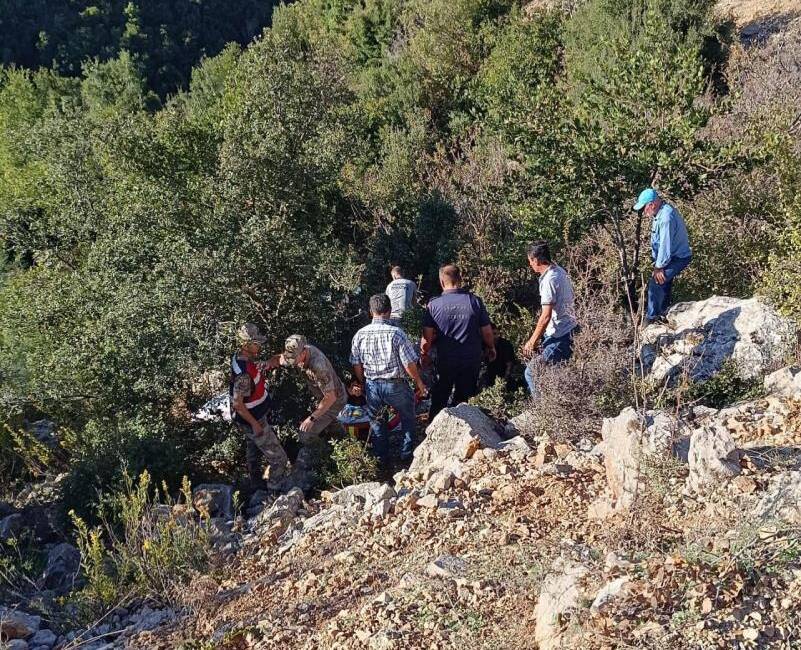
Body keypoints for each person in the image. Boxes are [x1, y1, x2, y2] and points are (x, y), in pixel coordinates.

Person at [351, 294, 428, 465]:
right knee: (407, 417)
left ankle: (381, 460)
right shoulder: (397, 333)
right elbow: (409, 363)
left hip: (372, 386)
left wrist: (361, 382)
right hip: (396, 385)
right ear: (390, 311)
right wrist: (420, 384)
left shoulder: (359, 334)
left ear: (371, 312)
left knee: (377, 424)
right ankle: (406, 455)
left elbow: (356, 363)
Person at [422, 264, 496, 422]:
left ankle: (433, 429)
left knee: (440, 395)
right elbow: (487, 332)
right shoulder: (474, 301)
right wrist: (491, 347)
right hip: (470, 359)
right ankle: (465, 429)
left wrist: (425, 354)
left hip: (445, 359)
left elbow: (426, 338)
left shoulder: (434, 304)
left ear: (442, 281)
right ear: (460, 279)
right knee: (465, 397)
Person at [266, 335, 347, 474]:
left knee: (305, 433)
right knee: (330, 423)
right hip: (321, 398)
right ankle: (343, 439)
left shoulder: (318, 365)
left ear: (303, 353)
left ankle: (327, 459)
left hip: (334, 400)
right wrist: (268, 363)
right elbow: (280, 359)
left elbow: (331, 396)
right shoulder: (296, 353)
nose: (291, 362)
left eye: (294, 359)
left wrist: (312, 418)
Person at [229, 323, 290, 489]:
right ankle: (275, 491)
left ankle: (255, 485)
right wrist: (255, 424)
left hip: (250, 418)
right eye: (256, 343)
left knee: (253, 449)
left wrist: (267, 364)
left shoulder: (242, 359)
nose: (260, 345)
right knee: (279, 459)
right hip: (254, 419)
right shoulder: (243, 375)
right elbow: (238, 403)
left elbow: (252, 370)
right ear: (246, 345)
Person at [522, 242, 578, 396]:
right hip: (569, 329)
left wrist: (532, 342)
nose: (530, 265)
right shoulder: (559, 271)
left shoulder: (549, 280)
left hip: (561, 335)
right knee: (555, 373)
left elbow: (546, 315)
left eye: (530, 261)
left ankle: (543, 410)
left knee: (531, 372)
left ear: (536, 260)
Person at [633, 187, 692, 324]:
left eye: (644, 208)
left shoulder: (666, 217)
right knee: (664, 283)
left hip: (678, 257)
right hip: (671, 257)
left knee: (656, 282)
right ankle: (664, 314)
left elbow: (665, 245)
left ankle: (651, 319)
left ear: (651, 205)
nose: (644, 212)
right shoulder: (660, 212)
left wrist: (658, 267)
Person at [481, 323, 517, 391]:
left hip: (503, 378)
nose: (494, 337)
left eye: (495, 334)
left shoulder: (505, 345)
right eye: (491, 334)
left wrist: (503, 383)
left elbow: (510, 366)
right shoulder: (482, 345)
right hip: (487, 379)